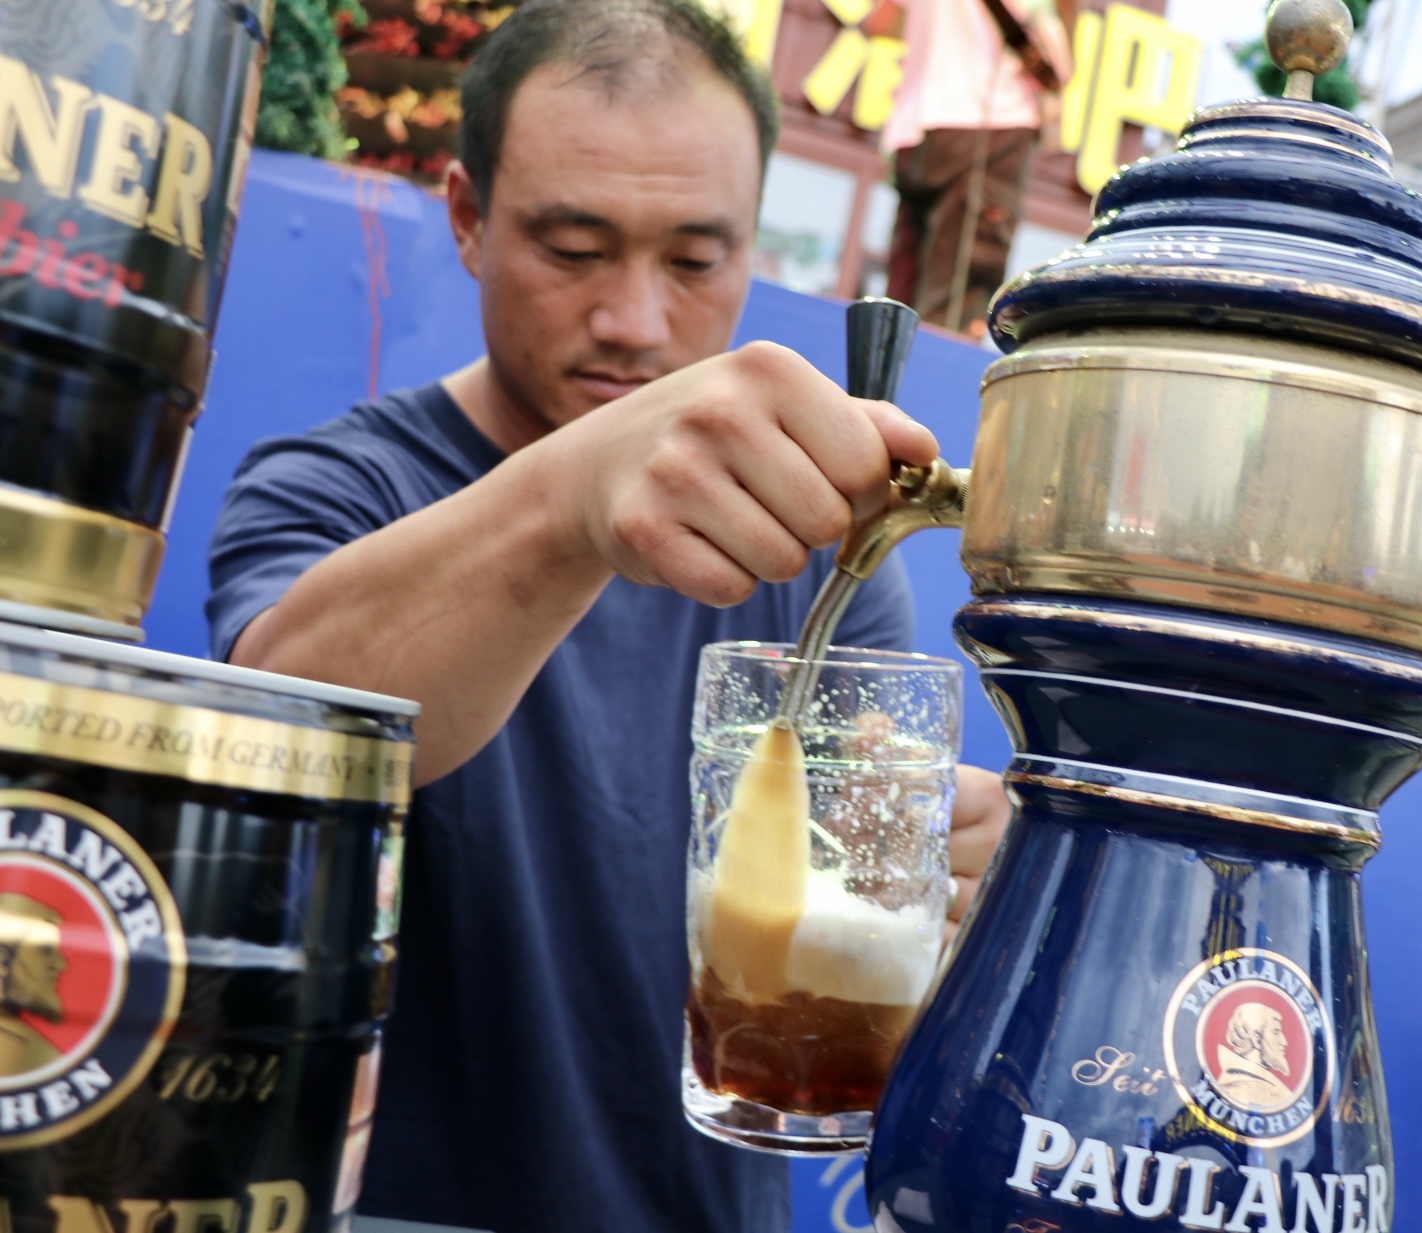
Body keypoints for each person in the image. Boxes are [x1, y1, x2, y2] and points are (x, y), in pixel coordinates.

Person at [204, 2, 1011, 1229]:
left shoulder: (820, 553)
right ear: (468, 219)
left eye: (696, 262)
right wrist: (576, 499)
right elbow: (287, 737)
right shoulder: (337, 489)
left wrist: (953, 890)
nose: (636, 322)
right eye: (574, 248)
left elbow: (859, 874)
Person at [871, 0, 1073, 333]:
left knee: (903, 298)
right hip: (988, 124)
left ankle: (883, 381)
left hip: (917, 127)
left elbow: (879, 24)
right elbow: (1056, 62)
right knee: (957, 308)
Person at [0, 893, 65, 1076]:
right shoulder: (37, 1057)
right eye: (46, 949)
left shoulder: (43, 1058)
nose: (61, 964)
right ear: (2, 959)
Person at [1211, 1001, 1296, 1113]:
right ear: (1256, 1038)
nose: (1284, 1042)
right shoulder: (1241, 1088)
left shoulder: (1266, 1087)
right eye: (1276, 1033)